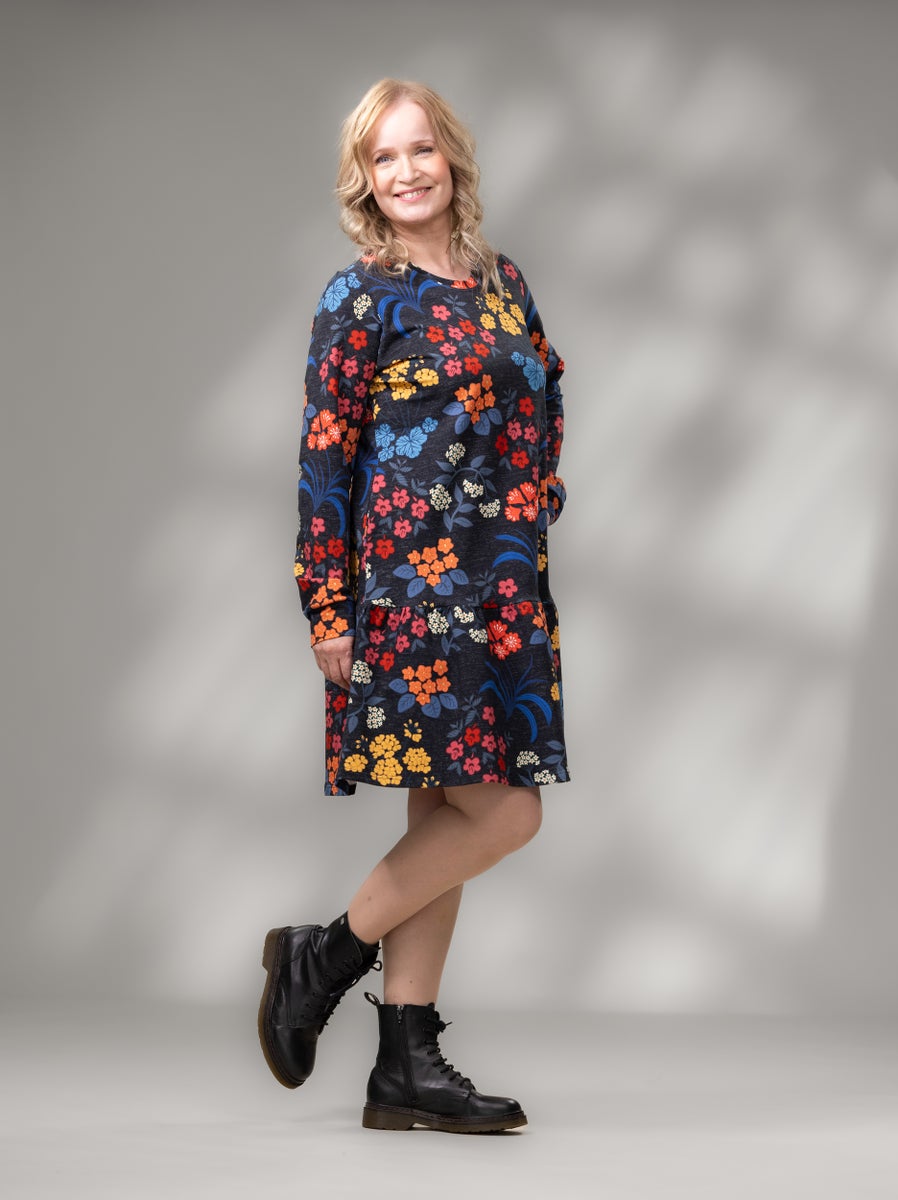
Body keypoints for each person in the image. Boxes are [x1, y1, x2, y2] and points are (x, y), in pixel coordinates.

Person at [258, 78, 569, 1135]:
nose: (406, 172)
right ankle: (323, 955)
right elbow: (324, 458)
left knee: (445, 813)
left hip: (501, 588)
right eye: (383, 158)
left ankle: (405, 1062)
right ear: (364, 180)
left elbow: (545, 389)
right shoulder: (360, 298)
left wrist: (530, 500)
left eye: (420, 149)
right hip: (409, 595)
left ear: (452, 159)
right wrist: (327, 607)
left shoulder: (501, 282)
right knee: (505, 811)